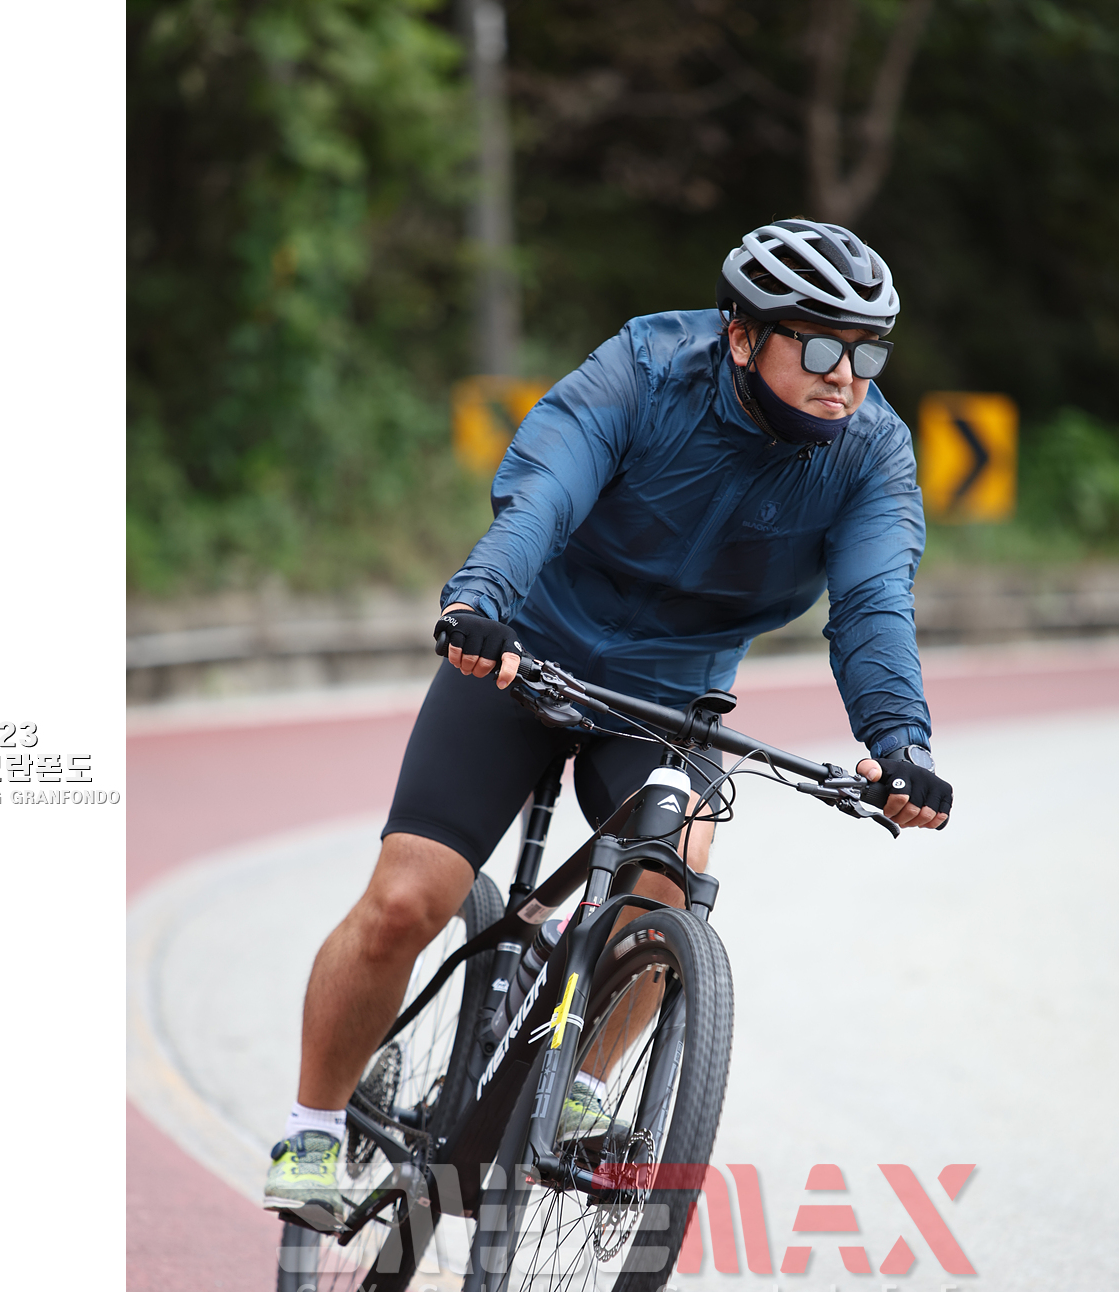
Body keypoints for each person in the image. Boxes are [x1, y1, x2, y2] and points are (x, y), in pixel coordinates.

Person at [264, 217, 954, 1224]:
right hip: (522, 652)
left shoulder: (871, 454)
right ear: (741, 336)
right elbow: (542, 497)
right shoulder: (645, 370)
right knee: (410, 898)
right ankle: (313, 1127)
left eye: (866, 352)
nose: (844, 376)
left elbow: (874, 603)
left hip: (669, 696)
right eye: (817, 347)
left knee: (675, 867)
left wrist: (899, 745)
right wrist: (481, 603)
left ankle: (579, 1083)